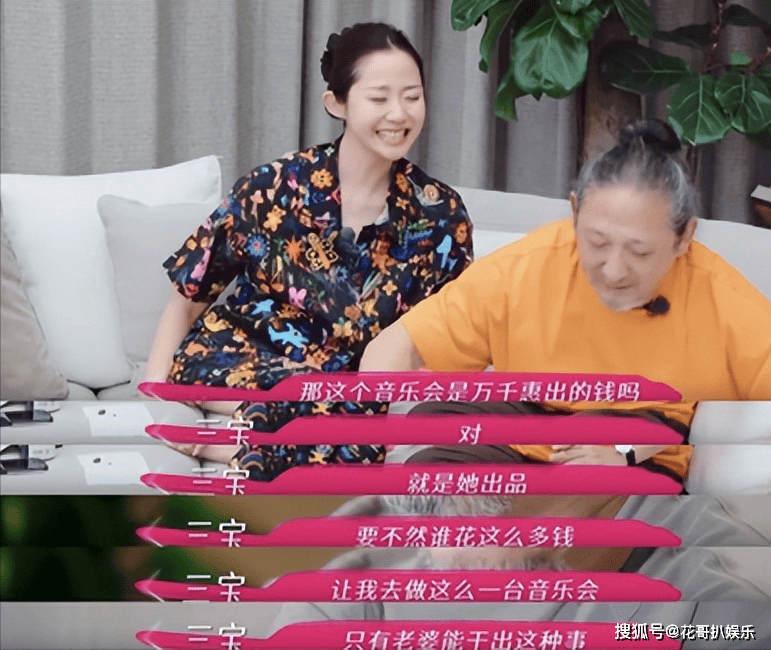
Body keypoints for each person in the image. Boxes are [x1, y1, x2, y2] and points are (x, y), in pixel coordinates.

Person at [144, 23, 473, 480]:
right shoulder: (271, 187)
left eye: (412, 97)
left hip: (345, 393)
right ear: (337, 103)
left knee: (362, 426)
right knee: (343, 420)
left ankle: (237, 446)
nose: (399, 114)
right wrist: (153, 395)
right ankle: (233, 441)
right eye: (379, 98)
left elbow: (455, 330)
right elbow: (186, 300)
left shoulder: (440, 214)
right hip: (235, 360)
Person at [359, 118, 771, 483]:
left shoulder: (722, 298)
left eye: (640, 252)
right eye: (597, 242)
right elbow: (401, 343)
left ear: (684, 237)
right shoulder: (529, 265)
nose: (614, 270)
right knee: (438, 436)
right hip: (521, 425)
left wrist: (628, 452)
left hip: (627, 450)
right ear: (574, 213)